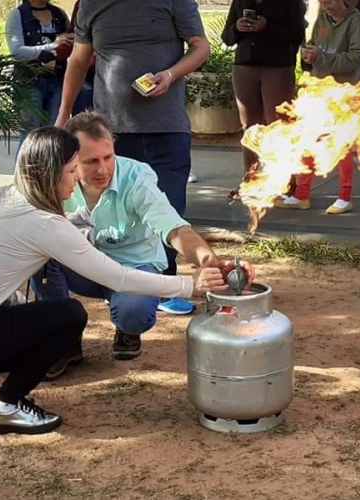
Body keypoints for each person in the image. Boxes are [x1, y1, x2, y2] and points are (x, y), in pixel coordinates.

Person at [0, 127, 232, 435]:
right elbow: (118, 278)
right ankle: (7, 406)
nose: (77, 177)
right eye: (71, 170)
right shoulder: (46, 225)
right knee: (68, 316)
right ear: (49, 173)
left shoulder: (4, 196)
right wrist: (191, 286)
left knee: (27, 313)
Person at [31, 112, 255, 366]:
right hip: (81, 266)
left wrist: (210, 262)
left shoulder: (137, 177)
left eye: (108, 157)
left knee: (134, 312)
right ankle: (62, 340)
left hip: (134, 267)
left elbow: (175, 229)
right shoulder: (54, 179)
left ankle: (128, 329)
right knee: (39, 254)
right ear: (69, 160)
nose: (103, 169)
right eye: (91, 161)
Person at [53, 0, 210, 314]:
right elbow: (79, 59)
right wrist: (63, 116)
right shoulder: (92, 5)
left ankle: (163, 288)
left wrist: (169, 74)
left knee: (168, 209)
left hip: (166, 129)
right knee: (110, 213)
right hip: (111, 134)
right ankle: (118, 285)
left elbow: (201, 47)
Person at [275, 0, 360, 214]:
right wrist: (307, 56)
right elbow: (313, 46)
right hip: (317, 90)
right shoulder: (322, 18)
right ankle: (302, 195)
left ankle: (345, 197)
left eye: (329, 0)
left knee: (341, 145)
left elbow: (355, 58)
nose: (324, 3)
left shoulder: (356, 21)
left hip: (342, 93)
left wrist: (321, 57)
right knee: (307, 140)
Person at [221, 0, 306, 173]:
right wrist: (237, 27)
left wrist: (266, 27)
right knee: (249, 125)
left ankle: (282, 179)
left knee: (278, 124)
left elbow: (297, 34)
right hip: (245, 65)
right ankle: (251, 176)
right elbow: (227, 37)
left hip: (277, 66)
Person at [5, 0, 72, 146]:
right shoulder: (17, 15)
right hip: (28, 83)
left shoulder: (59, 15)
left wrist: (58, 52)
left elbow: (70, 44)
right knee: (31, 137)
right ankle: (25, 168)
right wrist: (51, 47)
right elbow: (17, 52)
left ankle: (48, 168)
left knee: (53, 135)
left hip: (57, 82)